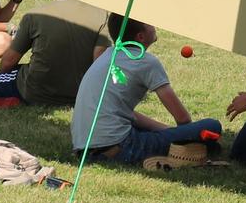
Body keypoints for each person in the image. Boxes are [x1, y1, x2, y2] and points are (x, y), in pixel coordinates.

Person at [69, 16, 221, 167]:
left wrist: (167, 131)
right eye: (149, 23)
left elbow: (126, 113)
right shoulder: (145, 62)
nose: (154, 24)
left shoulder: (108, 54)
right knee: (212, 126)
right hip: (121, 148)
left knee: (161, 134)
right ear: (140, 37)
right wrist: (180, 134)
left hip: (86, 151)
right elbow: (183, 119)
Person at [0, 0, 111, 110]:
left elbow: (7, 63)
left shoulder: (35, 15)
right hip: (78, 95)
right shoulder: (103, 16)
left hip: (34, 93)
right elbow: (99, 62)